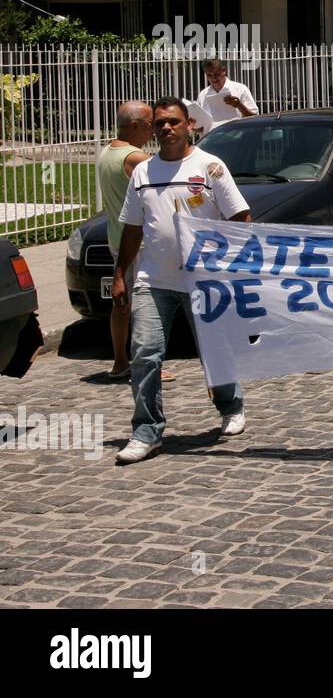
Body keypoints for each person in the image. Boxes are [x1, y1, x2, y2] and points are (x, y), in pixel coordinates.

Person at [111, 97, 252, 464]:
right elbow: (132, 229)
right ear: (152, 128)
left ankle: (230, 404)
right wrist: (120, 275)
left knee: (214, 350)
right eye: (159, 123)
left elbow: (240, 216)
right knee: (144, 353)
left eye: (173, 122)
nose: (166, 129)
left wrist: (229, 263)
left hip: (204, 281)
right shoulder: (143, 172)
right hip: (153, 279)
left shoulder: (210, 166)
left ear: (189, 124)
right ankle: (147, 431)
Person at [96, 101, 152, 382]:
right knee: (144, 305)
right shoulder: (136, 158)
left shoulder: (108, 151)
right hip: (137, 242)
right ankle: (145, 364)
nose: (153, 130)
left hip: (117, 239)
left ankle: (120, 361)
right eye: (149, 124)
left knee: (122, 303)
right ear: (135, 125)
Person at [197, 59, 258, 128]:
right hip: (212, 138)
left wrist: (239, 106)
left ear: (224, 71)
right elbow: (199, 125)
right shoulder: (203, 95)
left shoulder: (240, 89)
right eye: (209, 75)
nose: (213, 78)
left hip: (237, 137)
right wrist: (196, 127)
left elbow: (254, 118)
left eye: (216, 74)